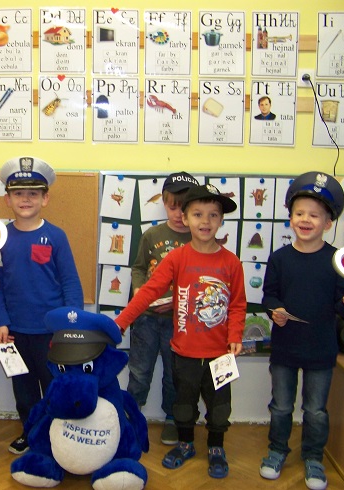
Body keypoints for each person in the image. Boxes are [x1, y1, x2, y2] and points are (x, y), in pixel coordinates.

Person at [115, 183, 246, 480]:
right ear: (185, 219)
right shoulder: (176, 258)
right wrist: (120, 322)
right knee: (183, 405)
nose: (205, 221)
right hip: (184, 352)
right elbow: (149, 292)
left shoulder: (231, 262)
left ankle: (216, 447)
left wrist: (235, 335)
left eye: (213, 215)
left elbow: (238, 304)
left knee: (219, 408)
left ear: (221, 221)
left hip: (219, 356)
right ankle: (185, 444)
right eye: (198, 214)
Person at [258, 172, 344, 490]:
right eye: (299, 213)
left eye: (314, 215)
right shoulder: (279, 258)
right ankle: (277, 450)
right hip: (285, 348)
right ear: (290, 218)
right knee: (281, 406)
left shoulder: (336, 260)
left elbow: (340, 306)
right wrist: (275, 310)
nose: (306, 220)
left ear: (328, 223)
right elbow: (269, 296)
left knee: (315, 410)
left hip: (321, 349)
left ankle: (314, 457)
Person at [0, 156, 84, 455]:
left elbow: (70, 282)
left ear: (45, 198)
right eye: (18, 193)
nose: (25, 199)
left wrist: (72, 326)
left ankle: (58, 437)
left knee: (55, 387)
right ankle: (30, 432)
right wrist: (2, 322)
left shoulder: (56, 236)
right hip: (16, 333)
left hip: (51, 333)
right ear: (7, 199)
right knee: (24, 391)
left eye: (33, 193)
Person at [127, 171, 199, 446]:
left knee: (174, 375)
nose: (179, 214)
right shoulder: (152, 235)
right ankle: (132, 416)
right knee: (139, 371)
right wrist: (138, 289)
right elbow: (138, 268)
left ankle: (172, 418)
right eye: (173, 207)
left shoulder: (199, 240)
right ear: (165, 204)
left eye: (185, 208)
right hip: (146, 318)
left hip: (180, 321)